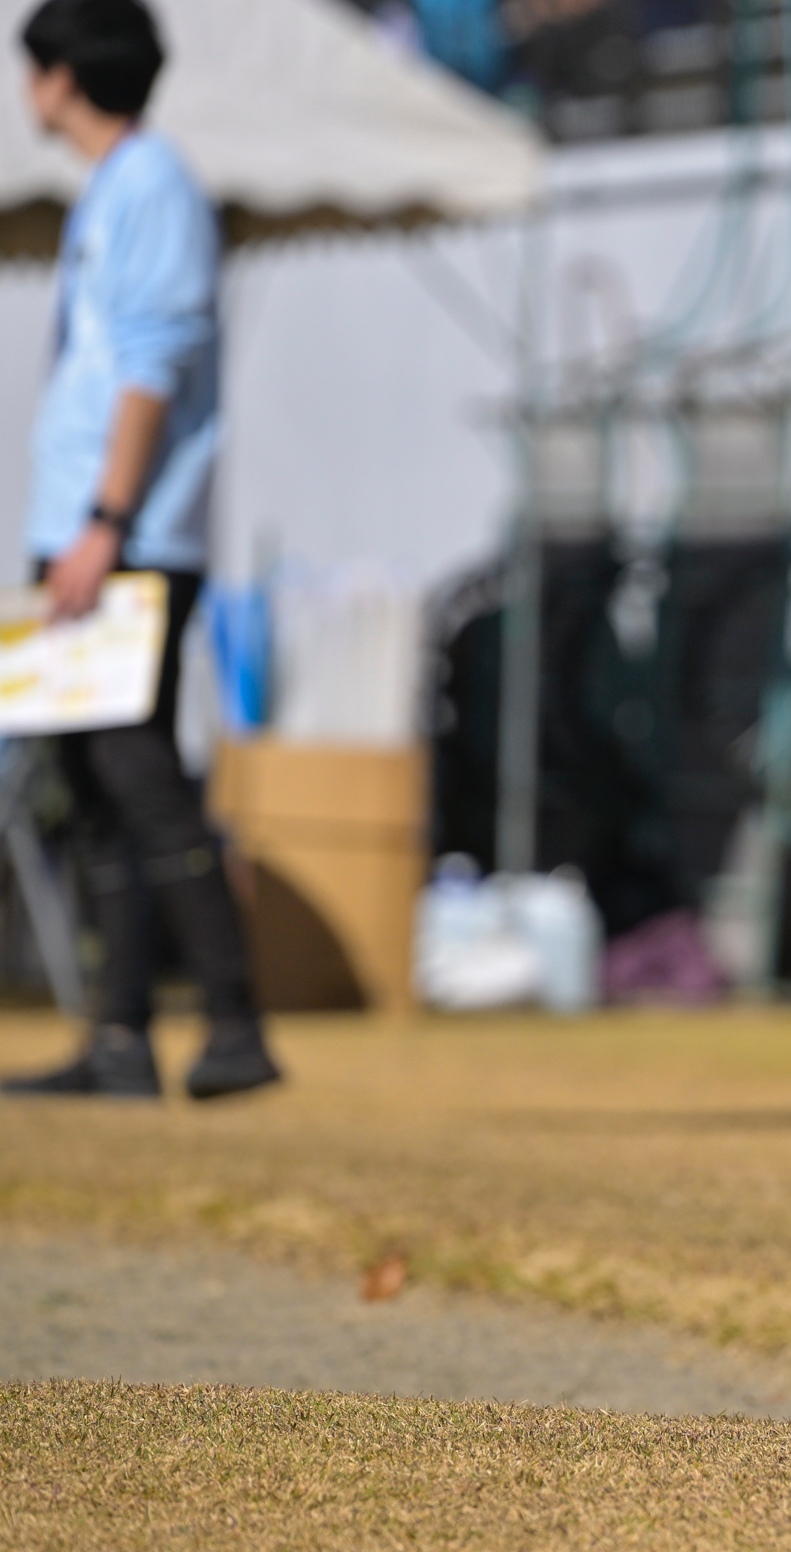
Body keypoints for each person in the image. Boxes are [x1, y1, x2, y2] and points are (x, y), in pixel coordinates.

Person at [1, 0, 278, 1102]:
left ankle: (234, 1019)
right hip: (85, 532)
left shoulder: (154, 187)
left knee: (138, 770)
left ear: (64, 76)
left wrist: (106, 523)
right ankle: (119, 1037)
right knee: (92, 778)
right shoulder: (115, 189)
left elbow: (149, 369)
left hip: (125, 537)